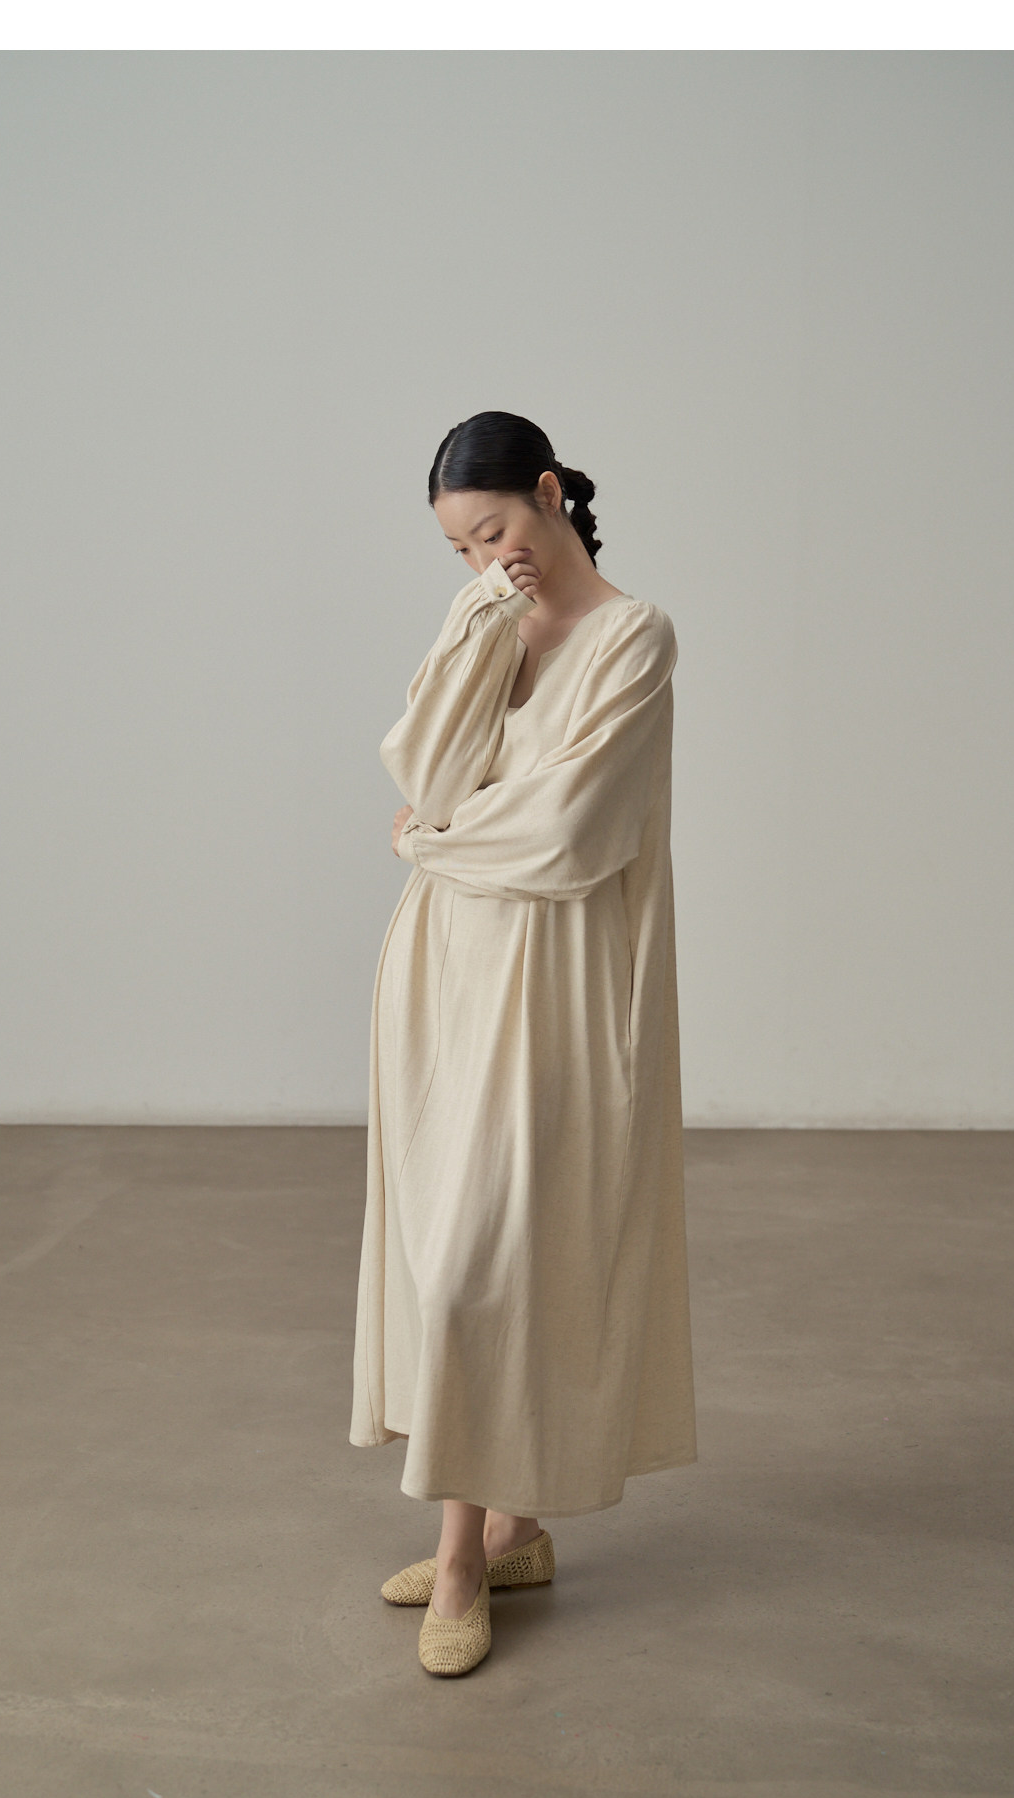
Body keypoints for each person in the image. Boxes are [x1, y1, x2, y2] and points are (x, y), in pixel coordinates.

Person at [350, 410, 697, 1677]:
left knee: (487, 1263)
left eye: (493, 531)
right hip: (446, 969)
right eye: (458, 548)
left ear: (549, 495)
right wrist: (480, 625)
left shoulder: (633, 638)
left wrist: (430, 842)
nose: (484, 561)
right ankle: (514, 1529)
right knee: (449, 1250)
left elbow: (570, 836)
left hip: (556, 980)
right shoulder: (487, 620)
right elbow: (427, 768)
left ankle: (461, 1560)